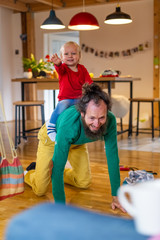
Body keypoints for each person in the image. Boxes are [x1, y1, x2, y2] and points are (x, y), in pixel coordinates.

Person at [25, 83, 125, 212]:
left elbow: (113, 157)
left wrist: (116, 195)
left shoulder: (110, 121)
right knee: (40, 190)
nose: (97, 124)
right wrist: (61, 206)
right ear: (82, 113)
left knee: (83, 182)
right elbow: (59, 166)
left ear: (107, 113)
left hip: (76, 143)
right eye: (92, 118)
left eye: (101, 118)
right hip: (52, 140)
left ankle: (47, 173)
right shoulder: (69, 124)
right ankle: (29, 173)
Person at [47, 41, 93, 141]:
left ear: (79, 56)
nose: (70, 56)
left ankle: (88, 127)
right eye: (66, 54)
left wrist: (92, 90)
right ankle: (51, 126)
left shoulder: (82, 69)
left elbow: (89, 82)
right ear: (62, 57)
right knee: (62, 105)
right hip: (66, 99)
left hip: (79, 98)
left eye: (73, 53)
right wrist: (58, 64)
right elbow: (59, 69)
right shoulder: (63, 68)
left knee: (89, 105)